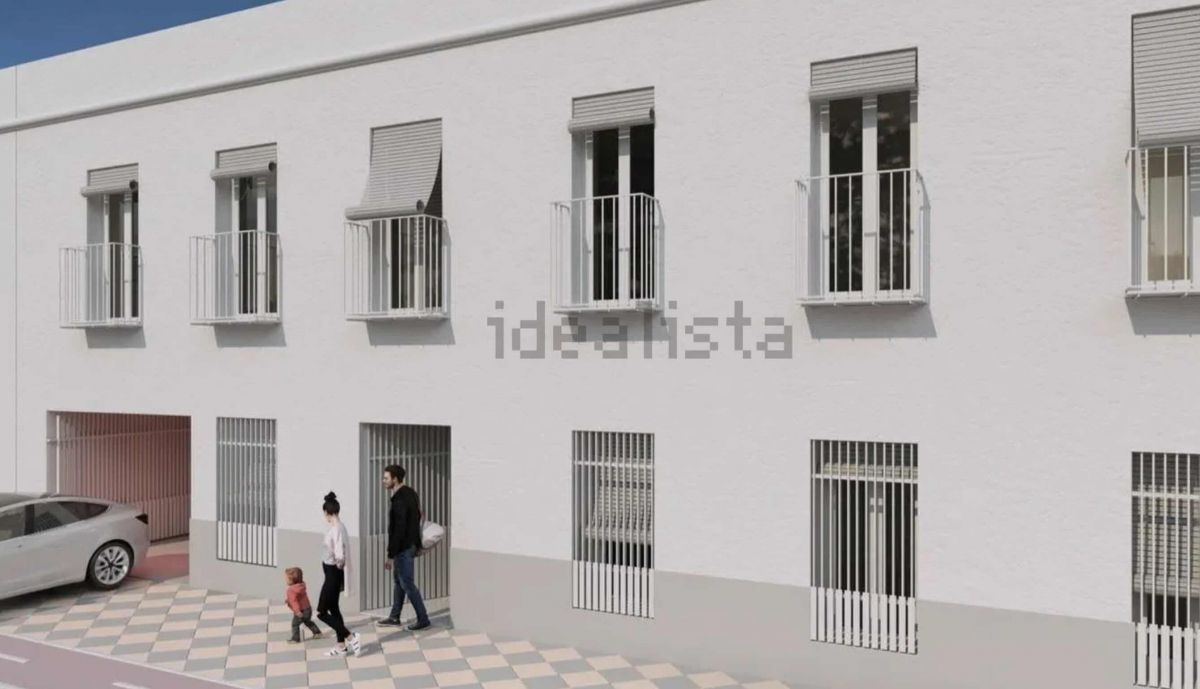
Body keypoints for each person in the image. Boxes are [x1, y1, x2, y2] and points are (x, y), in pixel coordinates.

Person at [377, 465, 431, 630]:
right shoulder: (411, 493)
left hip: (403, 547)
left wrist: (390, 555)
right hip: (410, 545)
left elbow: (398, 529)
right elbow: (419, 516)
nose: (383, 481)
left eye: (386, 478)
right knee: (399, 582)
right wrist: (417, 544)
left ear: (395, 479)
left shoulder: (399, 499)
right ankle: (394, 617)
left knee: (406, 583)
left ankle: (423, 619)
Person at [316, 492, 362, 656]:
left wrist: (337, 566)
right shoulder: (340, 526)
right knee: (334, 609)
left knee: (321, 613)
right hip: (332, 573)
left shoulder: (336, 529)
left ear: (327, 512)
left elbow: (339, 555)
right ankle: (341, 645)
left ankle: (351, 637)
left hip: (332, 574)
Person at [284, 567, 322, 643]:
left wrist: (297, 611)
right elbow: (298, 598)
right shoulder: (301, 586)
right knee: (307, 621)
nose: (286, 580)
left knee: (295, 624)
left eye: (287, 579)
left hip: (301, 611)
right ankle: (317, 633)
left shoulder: (291, 590)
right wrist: (288, 600)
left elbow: (294, 601)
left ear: (292, 580)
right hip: (308, 608)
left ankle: (295, 639)